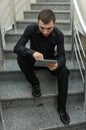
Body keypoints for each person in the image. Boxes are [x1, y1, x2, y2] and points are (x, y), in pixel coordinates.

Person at [14, 9, 70, 124]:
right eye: (42, 28)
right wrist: (32, 53)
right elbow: (17, 47)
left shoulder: (59, 34)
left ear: (54, 23)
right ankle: (35, 84)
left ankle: (62, 108)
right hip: (34, 60)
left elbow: (62, 57)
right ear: (38, 23)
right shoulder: (31, 28)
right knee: (20, 57)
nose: (45, 32)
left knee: (64, 71)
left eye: (49, 28)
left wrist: (57, 64)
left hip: (49, 61)